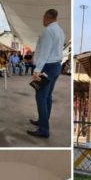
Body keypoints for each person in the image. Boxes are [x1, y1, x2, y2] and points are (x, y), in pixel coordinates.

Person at [27, 9, 65, 139]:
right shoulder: (60, 31)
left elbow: (45, 52)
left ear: (47, 17)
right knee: (47, 96)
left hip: (47, 67)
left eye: (43, 18)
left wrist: (37, 70)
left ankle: (43, 129)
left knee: (41, 97)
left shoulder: (49, 31)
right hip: (55, 66)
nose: (42, 20)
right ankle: (43, 121)